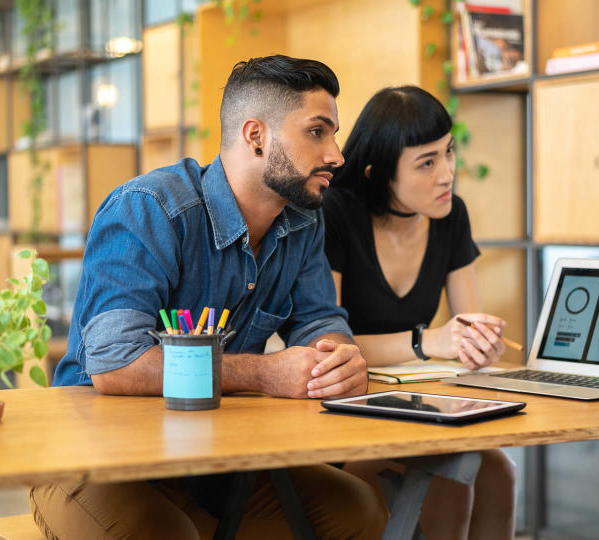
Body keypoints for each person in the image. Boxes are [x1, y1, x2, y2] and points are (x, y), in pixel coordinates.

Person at [32, 56, 386, 539]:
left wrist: (336, 358)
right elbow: (116, 363)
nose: (336, 154)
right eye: (317, 132)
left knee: (358, 511)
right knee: (168, 534)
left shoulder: (303, 220)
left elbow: (319, 319)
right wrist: (263, 373)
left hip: (211, 456)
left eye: (334, 134)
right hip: (91, 456)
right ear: (255, 136)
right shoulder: (149, 209)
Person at [323, 86, 516, 540]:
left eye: (448, 153)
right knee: (454, 470)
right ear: (378, 173)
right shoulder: (336, 214)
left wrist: (479, 344)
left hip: (419, 403)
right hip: (343, 407)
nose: (447, 174)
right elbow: (329, 348)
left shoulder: (451, 215)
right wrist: (428, 342)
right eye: (426, 163)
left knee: (499, 472)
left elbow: (469, 323)